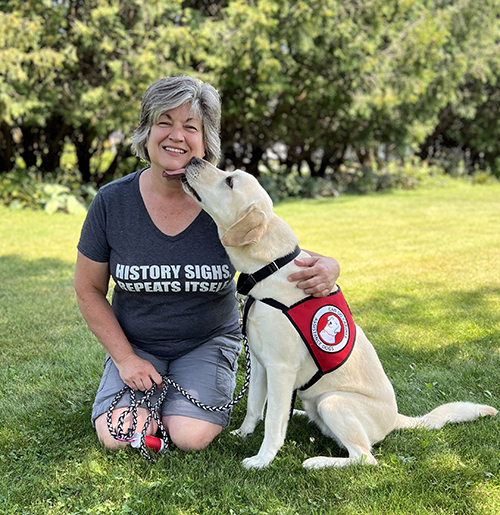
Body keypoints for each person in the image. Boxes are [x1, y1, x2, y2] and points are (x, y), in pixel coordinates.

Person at [74, 75, 340, 452]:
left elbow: (276, 252)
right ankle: (140, 384)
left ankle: (181, 394)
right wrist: (126, 359)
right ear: (146, 133)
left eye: (190, 126)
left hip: (207, 342)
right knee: (119, 437)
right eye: (164, 122)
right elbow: (87, 289)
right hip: (137, 343)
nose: (176, 135)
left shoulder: (224, 202)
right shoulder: (111, 203)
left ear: (205, 140)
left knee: (189, 436)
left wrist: (328, 265)